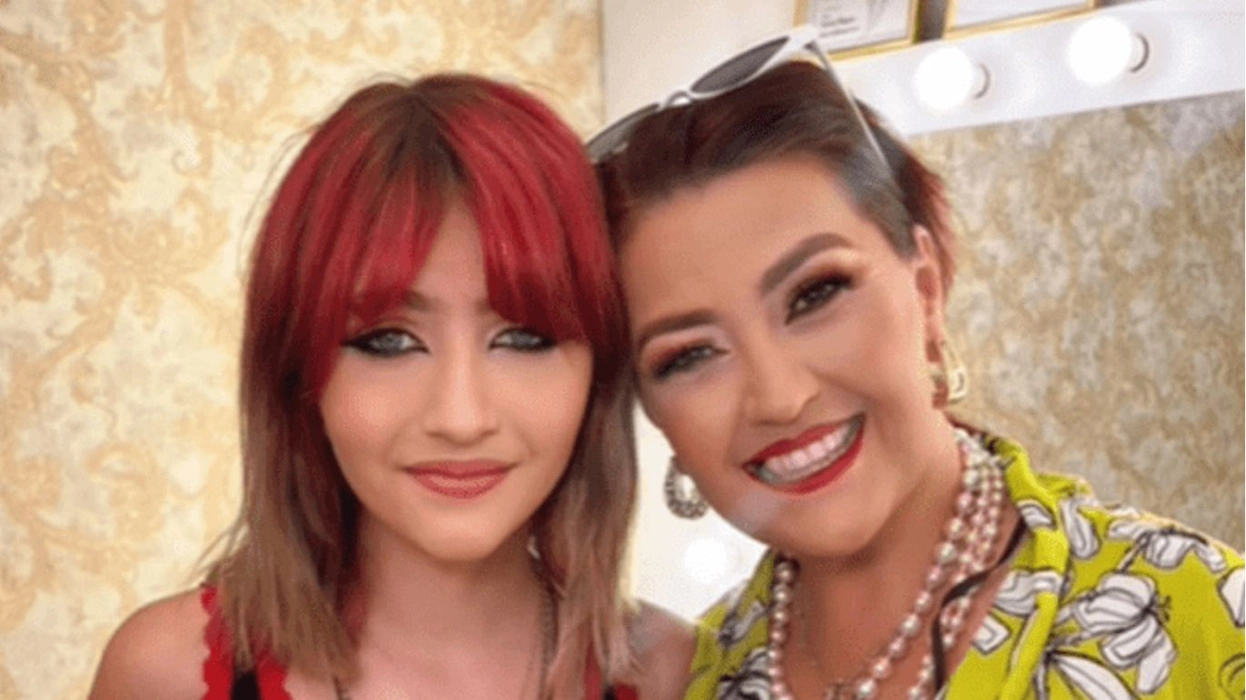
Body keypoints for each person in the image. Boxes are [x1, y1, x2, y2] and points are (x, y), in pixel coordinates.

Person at [592, 28, 1244, 700]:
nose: (778, 397)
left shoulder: (1197, 612)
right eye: (690, 355)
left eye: (816, 294)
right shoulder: (688, 682)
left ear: (925, 289)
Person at [89, 73, 691, 700]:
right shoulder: (164, 674)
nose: (461, 417)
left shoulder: (673, 675)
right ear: (298, 373)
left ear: (601, 371)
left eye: (523, 337)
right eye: (388, 342)